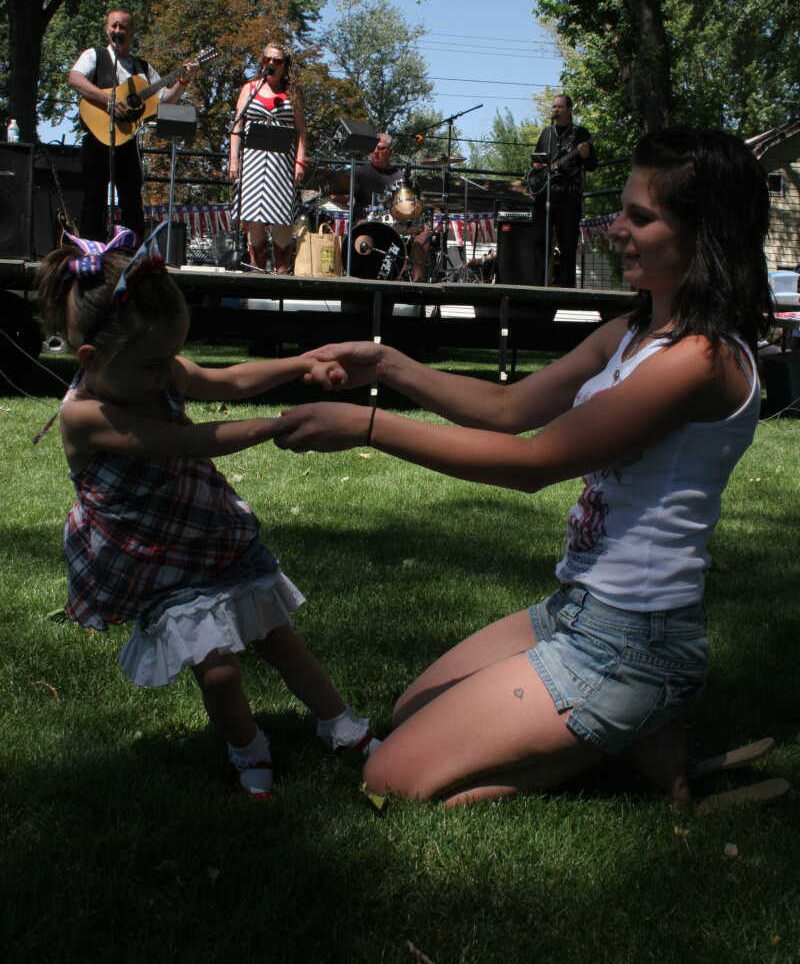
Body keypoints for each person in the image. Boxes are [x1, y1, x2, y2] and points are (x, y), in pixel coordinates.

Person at [273, 127, 774, 809]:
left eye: (640, 218)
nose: (615, 230)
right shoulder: (633, 333)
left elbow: (532, 463)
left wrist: (368, 426)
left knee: (390, 777)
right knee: (410, 709)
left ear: (704, 234)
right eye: (621, 212)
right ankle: (634, 737)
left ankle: (636, 718)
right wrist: (387, 364)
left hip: (636, 639)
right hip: (578, 610)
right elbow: (509, 408)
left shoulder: (701, 360)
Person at [35, 227, 378, 797]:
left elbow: (230, 379)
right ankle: (249, 748)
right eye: (155, 364)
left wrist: (303, 363)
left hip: (210, 531)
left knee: (280, 638)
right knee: (217, 671)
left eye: (172, 357)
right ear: (92, 358)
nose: (167, 373)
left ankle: (343, 726)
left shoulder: (155, 369)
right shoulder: (84, 417)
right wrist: (279, 425)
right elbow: (185, 442)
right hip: (155, 559)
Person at [68, 10, 198, 243]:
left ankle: (131, 250)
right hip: (96, 139)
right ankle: (92, 249)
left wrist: (184, 80)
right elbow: (75, 79)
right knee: (94, 197)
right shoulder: (94, 55)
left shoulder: (142, 68)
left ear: (131, 32)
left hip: (129, 142)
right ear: (107, 29)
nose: (118, 31)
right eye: (114, 26)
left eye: (123, 27)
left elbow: (165, 100)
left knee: (131, 199)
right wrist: (108, 100)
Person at [229, 43, 307, 273]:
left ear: (285, 66)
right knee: (253, 214)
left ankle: (282, 269)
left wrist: (300, 162)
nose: (271, 64)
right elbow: (237, 125)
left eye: (277, 61)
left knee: (281, 215)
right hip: (253, 159)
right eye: (267, 59)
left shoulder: (292, 93)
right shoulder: (250, 88)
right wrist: (234, 159)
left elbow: (301, 131)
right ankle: (257, 267)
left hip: (281, 162)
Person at [529, 93, 597, 287]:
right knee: (540, 241)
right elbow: (537, 161)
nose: (556, 110)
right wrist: (539, 168)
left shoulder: (581, 133)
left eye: (560, 107)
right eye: (554, 107)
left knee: (567, 244)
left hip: (568, 195)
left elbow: (593, 165)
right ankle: (537, 286)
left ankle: (566, 288)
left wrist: (585, 155)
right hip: (545, 193)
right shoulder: (547, 133)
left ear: (569, 110)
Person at [354, 134, 431, 282]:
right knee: (363, 227)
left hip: (396, 222)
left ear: (390, 151)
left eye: (380, 148)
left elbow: (413, 204)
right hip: (367, 221)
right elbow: (342, 195)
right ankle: (367, 274)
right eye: (373, 148)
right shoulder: (360, 173)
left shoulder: (401, 176)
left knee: (424, 231)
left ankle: (417, 280)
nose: (375, 151)